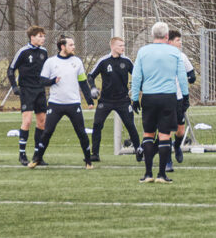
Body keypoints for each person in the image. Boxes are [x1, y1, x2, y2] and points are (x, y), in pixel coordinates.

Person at [130, 22, 190, 183]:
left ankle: (148, 174)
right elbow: (182, 77)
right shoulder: (174, 52)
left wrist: (135, 98)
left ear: (152, 35)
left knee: (148, 134)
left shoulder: (143, 51)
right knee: (165, 135)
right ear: (166, 36)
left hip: (149, 97)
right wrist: (185, 96)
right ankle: (162, 175)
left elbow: (136, 77)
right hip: (168, 97)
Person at [29, 35, 95, 169]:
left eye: (74, 44)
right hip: (55, 104)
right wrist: (53, 81)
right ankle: (36, 158)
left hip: (73, 103)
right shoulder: (51, 62)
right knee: (47, 132)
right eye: (71, 45)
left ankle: (88, 161)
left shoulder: (77, 61)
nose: (74, 47)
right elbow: (41, 81)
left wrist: (89, 100)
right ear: (62, 47)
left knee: (81, 132)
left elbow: (83, 82)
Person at [87, 37, 141, 163]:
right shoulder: (104, 61)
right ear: (112, 47)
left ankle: (139, 150)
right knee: (97, 124)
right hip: (105, 100)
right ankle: (95, 154)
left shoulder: (126, 61)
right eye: (120, 45)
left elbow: (137, 75)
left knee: (130, 125)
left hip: (123, 100)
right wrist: (93, 88)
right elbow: (90, 76)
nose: (123, 48)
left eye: (123, 45)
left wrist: (136, 90)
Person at [8, 26, 48, 166]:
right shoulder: (23, 51)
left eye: (43, 36)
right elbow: (11, 69)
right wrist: (14, 86)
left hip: (40, 90)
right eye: (40, 36)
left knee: (42, 122)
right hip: (27, 90)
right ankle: (22, 154)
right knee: (27, 121)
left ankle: (38, 155)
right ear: (32, 37)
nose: (43, 38)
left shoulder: (44, 52)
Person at [166, 29, 197, 171]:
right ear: (169, 41)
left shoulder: (181, 56)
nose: (181, 43)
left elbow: (192, 76)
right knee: (167, 131)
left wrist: (187, 78)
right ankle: (167, 161)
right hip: (165, 97)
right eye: (178, 40)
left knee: (180, 131)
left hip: (179, 98)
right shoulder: (161, 56)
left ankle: (177, 146)